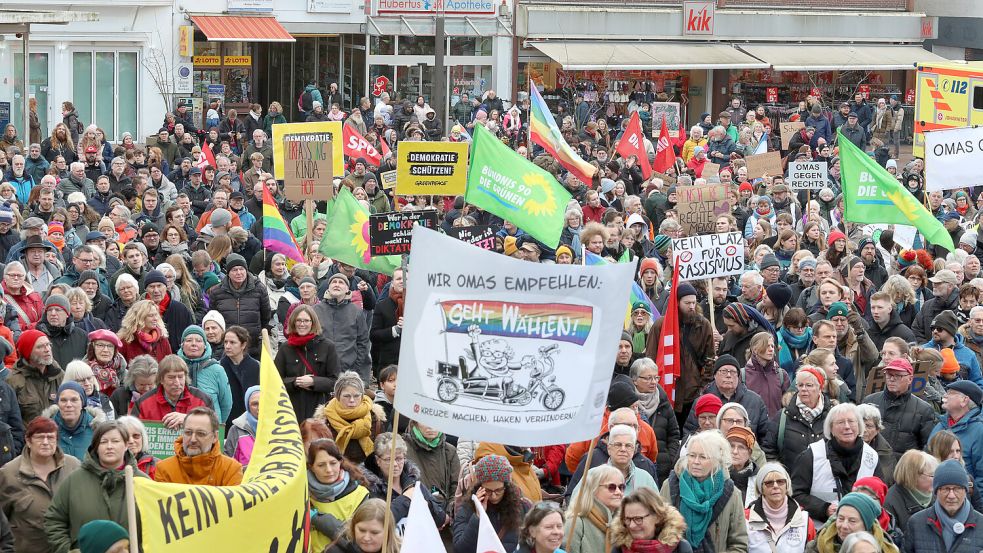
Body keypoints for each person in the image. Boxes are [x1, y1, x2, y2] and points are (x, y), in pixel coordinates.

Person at [44, 421, 145, 552]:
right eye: (103, 442)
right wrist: (68, 550)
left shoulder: (142, 482)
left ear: (126, 445)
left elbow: (155, 527)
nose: (109, 446)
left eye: (115, 441)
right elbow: (54, 520)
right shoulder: (74, 481)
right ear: (95, 446)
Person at [791, 403, 884, 524]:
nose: (847, 427)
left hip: (860, 531)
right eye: (840, 422)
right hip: (819, 530)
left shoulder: (871, 456)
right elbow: (795, 494)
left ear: (859, 426)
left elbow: (879, 497)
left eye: (851, 421)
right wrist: (824, 509)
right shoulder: (812, 455)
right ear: (831, 428)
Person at [0, 417, 81, 553]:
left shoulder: (73, 466)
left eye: (50, 437)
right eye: (39, 437)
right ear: (28, 441)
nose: (45, 442)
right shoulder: (8, 473)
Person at [661, 430, 749, 553]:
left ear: (716, 461)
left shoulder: (731, 493)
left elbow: (738, 544)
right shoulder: (670, 486)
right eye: (692, 455)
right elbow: (658, 532)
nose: (696, 461)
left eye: (703, 457)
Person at [360, 433, 447, 530]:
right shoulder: (368, 488)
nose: (395, 464)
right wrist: (406, 499)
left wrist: (428, 505)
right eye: (388, 459)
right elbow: (377, 523)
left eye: (399, 458)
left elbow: (441, 520)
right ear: (378, 460)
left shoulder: (412, 482)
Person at [453, 454, 531, 553]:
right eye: (488, 491)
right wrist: (478, 516)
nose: (494, 496)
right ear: (480, 487)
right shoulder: (468, 507)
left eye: (498, 490)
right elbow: (460, 549)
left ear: (506, 487)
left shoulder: (523, 507)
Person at [682, 354, 770, 440]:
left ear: (738, 376)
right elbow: (689, 434)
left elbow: (765, 437)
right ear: (715, 375)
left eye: (733, 372)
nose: (728, 375)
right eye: (724, 371)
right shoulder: (702, 401)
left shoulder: (755, 401)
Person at [276, 305, 339, 423]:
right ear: (293, 322)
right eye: (298, 320)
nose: (302, 324)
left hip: (320, 408)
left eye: (306, 320)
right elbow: (275, 381)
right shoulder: (285, 348)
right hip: (291, 409)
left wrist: (314, 382)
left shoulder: (328, 346)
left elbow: (335, 381)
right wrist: (295, 382)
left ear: (313, 323)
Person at [904, 459, 983, 553]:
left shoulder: (981, 524)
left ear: (965, 491)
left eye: (957, 488)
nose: (951, 496)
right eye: (945, 489)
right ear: (936, 491)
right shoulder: (916, 523)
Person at [862, 357, 937, 454]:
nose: (892, 379)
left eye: (898, 376)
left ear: (910, 379)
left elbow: (928, 448)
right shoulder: (869, 401)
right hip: (871, 463)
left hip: (903, 467)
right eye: (889, 375)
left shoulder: (924, 410)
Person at [307, 438, 370, 552]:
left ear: (340, 462)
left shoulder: (360, 495)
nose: (329, 470)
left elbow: (356, 540)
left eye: (333, 463)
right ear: (311, 467)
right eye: (321, 465)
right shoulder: (302, 493)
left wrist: (317, 519)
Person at [763, 365, 831, 468]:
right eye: (800, 385)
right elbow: (769, 451)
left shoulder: (832, 416)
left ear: (820, 388)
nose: (804, 389)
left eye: (809, 385)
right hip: (791, 481)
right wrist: (782, 476)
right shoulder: (783, 416)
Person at [155, 406, 242, 485]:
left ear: (215, 437)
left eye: (200, 434)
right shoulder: (164, 469)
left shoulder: (231, 469)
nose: (193, 439)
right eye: (188, 433)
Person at [207, 253, 271, 357]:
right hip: (226, 347)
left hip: (252, 346)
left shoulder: (259, 289)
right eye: (234, 270)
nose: (239, 273)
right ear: (228, 273)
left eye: (241, 269)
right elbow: (213, 318)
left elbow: (266, 315)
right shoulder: (217, 292)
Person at [630, 358, 681, 483]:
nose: (653, 382)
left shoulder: (663, 402)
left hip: (662, 468)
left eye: (656, 378)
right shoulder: (628, 404)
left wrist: (669, 459)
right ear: (635, 380)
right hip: (634, 466)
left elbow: (674, 434)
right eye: (648, 378)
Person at [317, 371, 383, 465]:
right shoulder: (324, 420)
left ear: (362, 396)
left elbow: (382, 451)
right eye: (347, 396)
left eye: (356, 396)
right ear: (338, 396)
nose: (352, 400)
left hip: (369, 473)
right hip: (335, 472)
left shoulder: (375, 417)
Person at [314, 272, 371, 381]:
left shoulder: (356, 312)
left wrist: (355, 368)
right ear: (328, 287)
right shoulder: (316, 310)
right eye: (334, 282)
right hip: (321, 370)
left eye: (341, 282)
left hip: (348, 371)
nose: (337, 284)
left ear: (347, 289)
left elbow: (363, 342)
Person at [747, 462, 815, 553]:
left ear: (787, 485)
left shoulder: (805, 520)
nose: (775, 486)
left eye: (780, 481)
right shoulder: (746, 518)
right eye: (769, 483)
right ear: (761, 488)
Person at [929, 380, 983, 492]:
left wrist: (976, 504)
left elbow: (981, 475)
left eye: (951, 393)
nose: (945, 395)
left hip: (963, 498)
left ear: (964, 401)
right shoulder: (940, 425)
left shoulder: (979, 430)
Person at [130, 354, 212, 428]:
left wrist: (188, 419)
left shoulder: (202, 399)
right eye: (171, 377)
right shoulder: (143, 403)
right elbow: (133, 432)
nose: (177, 382)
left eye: (180, 377)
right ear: (161, 379)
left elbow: (214, 428)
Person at [806, 492, 898, 553]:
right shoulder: (816, 547)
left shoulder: (886, 549)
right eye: (841, 519)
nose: (844, 526)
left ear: (867, 525)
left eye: (852, 521)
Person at [176, 325, 232, 423]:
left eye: (198, 340)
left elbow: (226, 404)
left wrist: (216, 424)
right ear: (182, 344)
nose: (194, 344)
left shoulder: (217, 370)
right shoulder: (174, 367)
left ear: (205, 345)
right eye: (189, 340)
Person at [609, 487, 691, 553]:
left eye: (638, 519)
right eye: (627, 519)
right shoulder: (619, 549)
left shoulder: (681, 548)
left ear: (657, 517)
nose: (631, 525)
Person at [564, 464, 624, 553]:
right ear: (593, 489)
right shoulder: (575, 523)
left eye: (621, 487)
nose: (618, 492)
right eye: (612, 487)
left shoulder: (623, 523)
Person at [8, 329, 64, 424]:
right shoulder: (13, 381)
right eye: (40, 347)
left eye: (48, 345)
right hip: (29, 436)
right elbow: (11, 421)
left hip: (59, 436)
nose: (47, 350)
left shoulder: (59, 374)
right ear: (28, 353)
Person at [404, 420, 459, 513]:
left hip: (444, 516)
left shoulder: (450, 451)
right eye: (424, 420)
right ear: (415, 423)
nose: (431, 426)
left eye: (436, 420)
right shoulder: (404, 448)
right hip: (413, 513)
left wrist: (448, 514)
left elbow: (456, 487)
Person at [44, 381, 106, 461]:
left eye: (74, 400)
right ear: (58, 403)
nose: (68, 405)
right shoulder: (46, 430)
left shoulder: (97, 430)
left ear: (82, 403)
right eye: (63, 400)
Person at [883, 450, 938, 531]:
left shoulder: (937, 495)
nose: (936, 479)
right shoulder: (890, 503)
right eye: (932, 475)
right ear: (914, 476)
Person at [324, 498, 399, 553]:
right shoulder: (335, 551)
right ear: (353, 527)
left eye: (374, 532)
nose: (366, 538)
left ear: (388, 532)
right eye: (362, 530)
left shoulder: (404, 548)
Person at [220, 325, 259, 426]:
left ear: (243, 345)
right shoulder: (219, 367)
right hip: (226, 422)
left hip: (251, 422)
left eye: (232, 342)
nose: (227, 346)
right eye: (225, 342)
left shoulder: (257, 367)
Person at [108, 355, 157, 419]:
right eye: (142, 384)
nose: (146, 389)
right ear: (132, 380)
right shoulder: (119, 395)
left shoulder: (162, 396)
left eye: (150, 384)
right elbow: (110, 420)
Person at [115, 415, 157, 480]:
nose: (131, 441)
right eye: (126, 437)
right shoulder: (109, 464)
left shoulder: (157, 465)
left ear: (143, 438)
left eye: (136, 436)